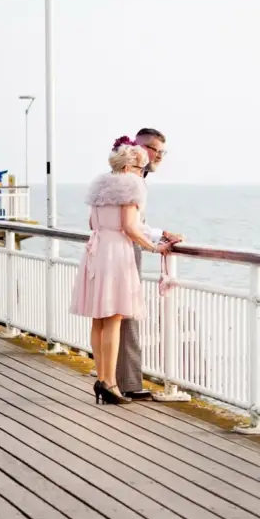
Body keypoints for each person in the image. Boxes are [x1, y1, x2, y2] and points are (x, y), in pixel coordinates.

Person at [70, 137, 173, 405]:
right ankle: (110, 383)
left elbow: (92, 223)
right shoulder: (130, 188)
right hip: (116, 253)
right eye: (140, 168)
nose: (141, 173)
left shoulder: (99, 189)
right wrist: (155, 247)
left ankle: (102, 379)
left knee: (98, 320)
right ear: (128, 168)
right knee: (114, 318)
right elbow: (130, 227)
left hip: (96, 251)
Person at [116, 127, 184, 400]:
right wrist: (156, 242)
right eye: (157, 150)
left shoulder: (121, 177)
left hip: (113, 249)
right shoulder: (131, 180)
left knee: (115, 316)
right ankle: (128, 384)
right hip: (125, 250)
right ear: (142, 148)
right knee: (127, 313)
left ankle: (114, 380)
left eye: (163, 151)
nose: (160, 157)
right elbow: (130, 225)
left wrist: (158, 233)